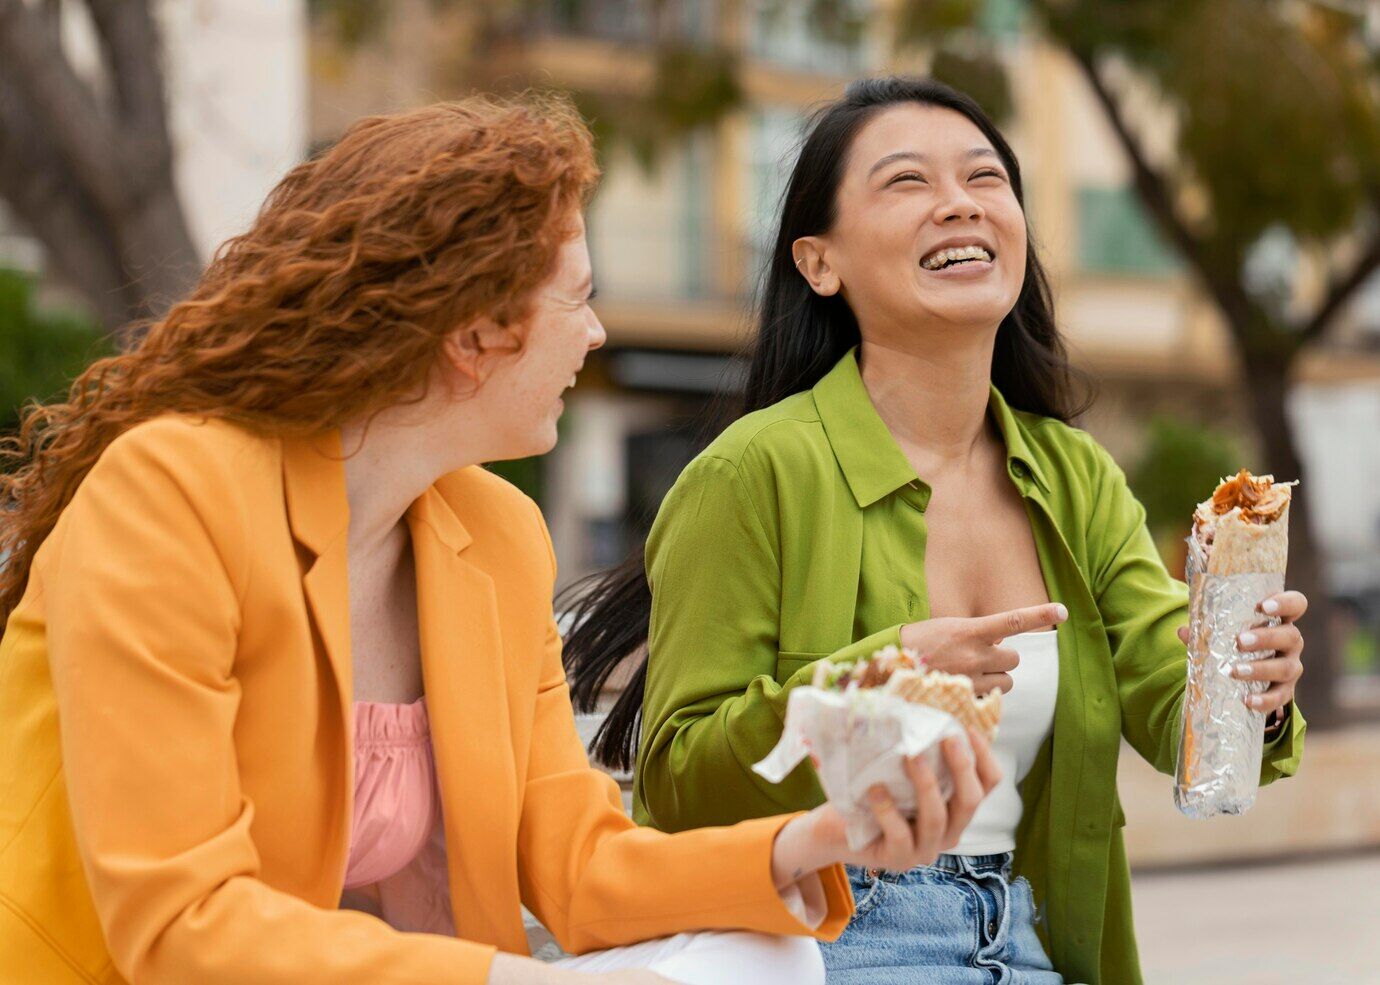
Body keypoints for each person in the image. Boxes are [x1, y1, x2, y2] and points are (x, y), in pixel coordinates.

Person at [0, 94, 1001, 985]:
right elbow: (181, 928)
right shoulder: (171, 491)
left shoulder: (497, 532)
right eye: (579, 297)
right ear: (477, 334)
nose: (596, 333)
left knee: (767, 951)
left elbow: (576, 859)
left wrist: (816, 837)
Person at [562, 77, 1308, 985]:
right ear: (818, 262)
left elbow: (1173, 706)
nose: (960, 202)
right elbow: (678, 780)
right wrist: (885, 677)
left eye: (985, 178)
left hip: (1032, 938)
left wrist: (1250, 684)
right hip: (827, 940)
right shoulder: (749, 473)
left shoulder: (1078, 477)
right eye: (907, 182)